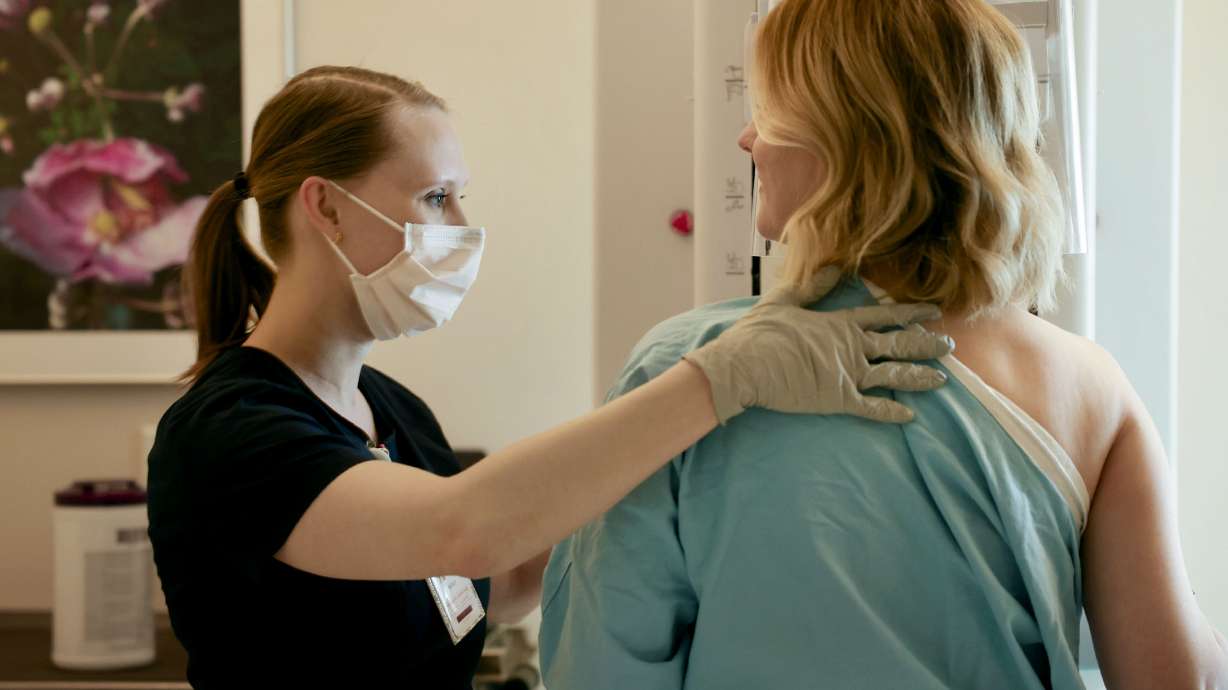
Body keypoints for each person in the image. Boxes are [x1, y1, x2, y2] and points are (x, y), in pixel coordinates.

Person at [145, 65, 955, 688]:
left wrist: (683, 487)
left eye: (461, 196)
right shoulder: (231, 430)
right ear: (324, 207)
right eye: (434, 197)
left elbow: (498, 581)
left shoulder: (390, 410)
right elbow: (461, 530)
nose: (462, 229)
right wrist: (718, 377)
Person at [538, 1, 1228, 689]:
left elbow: (600, 667)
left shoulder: (695, 374)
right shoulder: (1086, 386)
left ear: (848, 137)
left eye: (770, 110)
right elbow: (1175, 677)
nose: (748, 139)